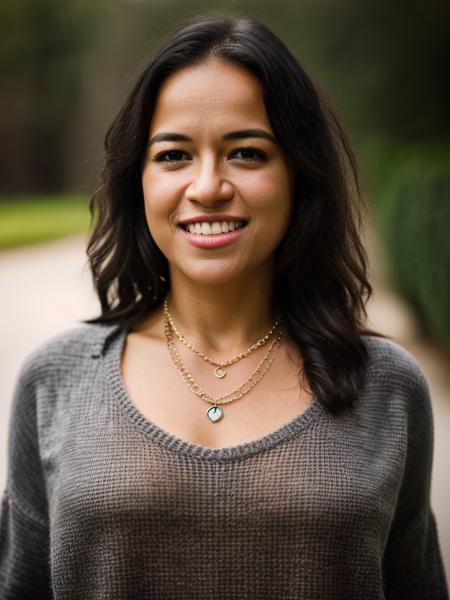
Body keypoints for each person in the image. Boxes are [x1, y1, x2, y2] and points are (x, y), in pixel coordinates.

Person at [0, 12, 448, 600]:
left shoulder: (388, 387)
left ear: (299, 175)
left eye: (246, 153)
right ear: (138, 180)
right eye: (173, 155)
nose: (207, 185)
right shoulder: (54, 381)